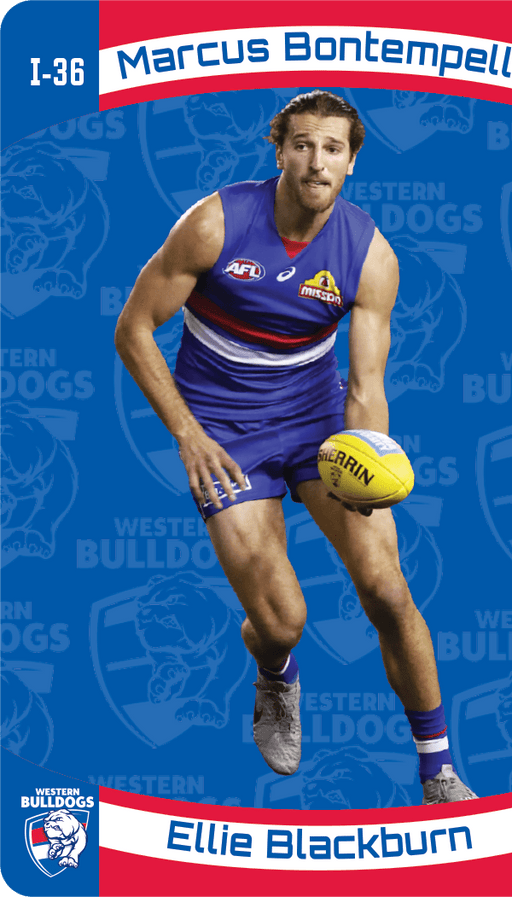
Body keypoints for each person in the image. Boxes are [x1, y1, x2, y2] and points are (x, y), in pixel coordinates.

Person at [115, 90, 477, 805]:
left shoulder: (370, 256)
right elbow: (133, 329)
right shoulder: (215, 224)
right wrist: (188, 434)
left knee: (387, 587)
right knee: (283, 620)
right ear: (279, 150)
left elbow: (366, 384)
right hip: (225, 432)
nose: (317, 162)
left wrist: (368, 456)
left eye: (333, 149)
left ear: (352, 162)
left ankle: (438, 771)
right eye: (303, 145)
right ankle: (275, 672)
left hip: (317, 422)